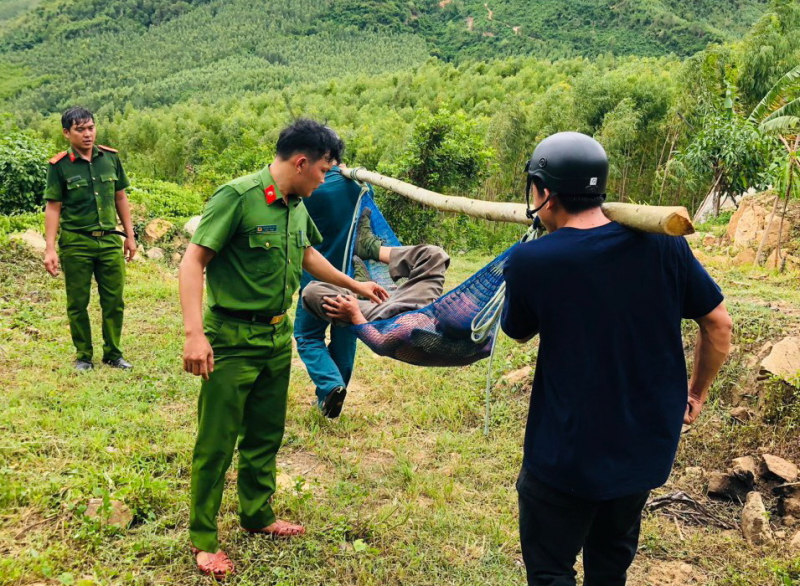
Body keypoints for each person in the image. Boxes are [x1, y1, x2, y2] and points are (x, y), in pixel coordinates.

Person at [501, 132, 732, 586]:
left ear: (544, 192)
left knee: (550, 570)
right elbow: (719, 324)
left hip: (565, 454)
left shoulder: (530, 262)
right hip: (642, 449)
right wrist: (696, 394)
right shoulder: (665, 244)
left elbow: (519, 331)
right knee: (610, 567)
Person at [178, 119, 388, 580]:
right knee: (217, 442)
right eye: (324, 170)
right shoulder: (237, 197)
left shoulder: (295, 204)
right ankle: (204, 538)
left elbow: (308, 253)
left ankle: (257, 513)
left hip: (275, 338)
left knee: (265, 434)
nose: (325, 179)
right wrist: (194, 334)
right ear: (301, 162)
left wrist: (357, 284)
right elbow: (193, 261)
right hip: (232, 341)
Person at [43, 106, 137, 371]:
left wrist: (130, 235)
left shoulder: (110, 158)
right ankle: (84, 355)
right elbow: (53, 207)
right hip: (76, 242)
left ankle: (113, 354)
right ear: (67, 133)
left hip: (109, 241)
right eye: (80, 129)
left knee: (114, 300)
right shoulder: (59, 166)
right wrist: (49, 248)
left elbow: (120, 197)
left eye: (91, 128)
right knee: (77, 302)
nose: (87, 134)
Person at [294, 164, 364, 418]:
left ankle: (331, 386)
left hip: (318, 280)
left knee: (307, 336)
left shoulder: (310, 188)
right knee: (345, 337)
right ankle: (333, 399)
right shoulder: (359, 185)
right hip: (353, 279)